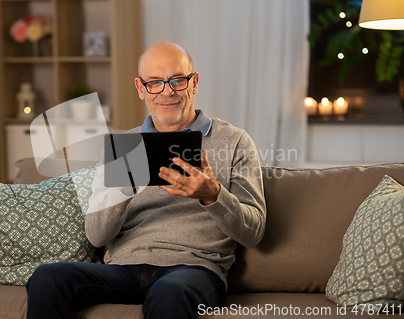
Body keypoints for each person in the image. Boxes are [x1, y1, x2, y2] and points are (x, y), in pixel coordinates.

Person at [26, 42, 266, 319]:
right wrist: (122, 190)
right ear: (141, 88)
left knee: (169, 294)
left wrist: (213, 195)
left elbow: (254, 232)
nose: (167, 91)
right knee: (48, 277)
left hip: (194, 269)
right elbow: (96, 236)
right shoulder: (122, 147)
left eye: (177, 80)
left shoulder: (235, 141)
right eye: (155, 82)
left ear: (194, 82)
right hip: (123, 269)